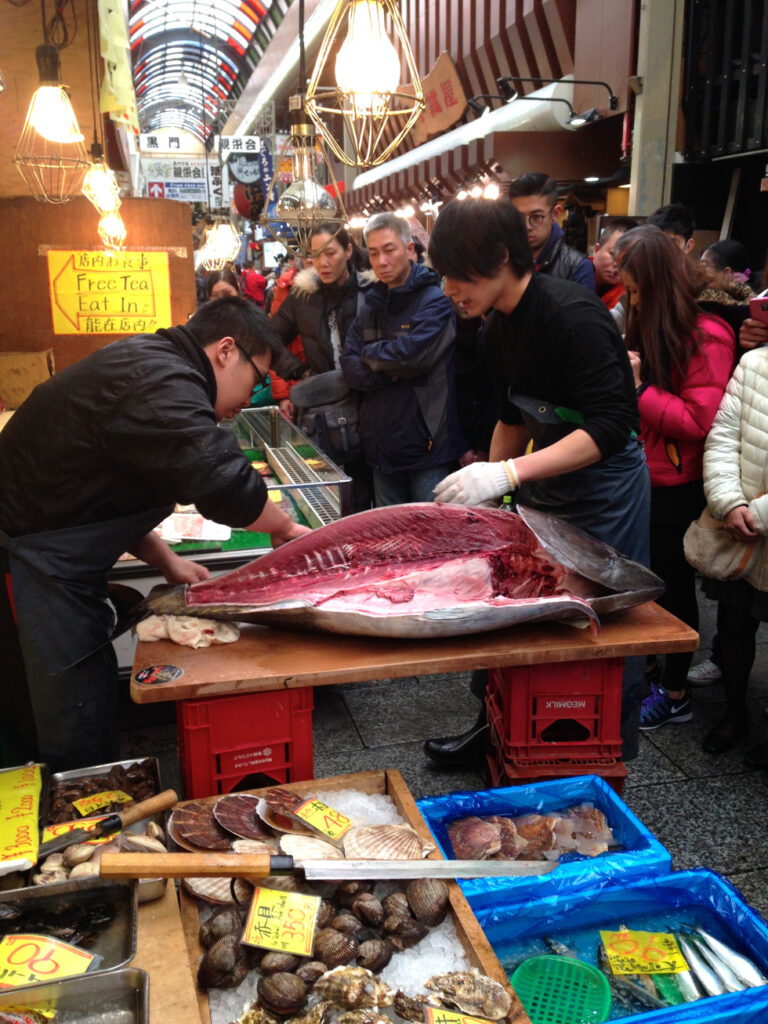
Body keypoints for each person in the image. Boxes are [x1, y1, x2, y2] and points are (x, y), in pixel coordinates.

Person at [0, 297, 310, 770]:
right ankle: (67, 822)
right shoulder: (161, 379)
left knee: (86, 695)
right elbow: (219, 475)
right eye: (256, 376)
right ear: (226, 350)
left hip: (58, 557)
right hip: (27, 564)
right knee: (62, 709)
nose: (253, 394)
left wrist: (165, 559)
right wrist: (284, 527)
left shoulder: (157, 365)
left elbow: (107, 489)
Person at [424, 198, 649, 765]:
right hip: (544, 475)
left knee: (597, 618)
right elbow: (510, 415)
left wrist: (509, 471)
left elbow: (609, 427)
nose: (449, 289)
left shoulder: (572, 314)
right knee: (515, 598)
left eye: (457, 273)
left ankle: (596, 751)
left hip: (605, 489)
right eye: (443, 275)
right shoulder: (495, 327)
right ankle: (494, 728)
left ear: (502, 256)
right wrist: (495, 496)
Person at [613, 226, 735, 737]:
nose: (631, 301)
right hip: (647, 473)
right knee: (653, 582)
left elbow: (697, 421)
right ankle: (658, 674)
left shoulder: (707, 335)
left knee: (673, 585)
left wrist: (638, 387)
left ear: (660, 286)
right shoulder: (657, 325)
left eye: (638, 292)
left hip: (679, 480)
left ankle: (677, 693)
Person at [340, 212, 465, 506]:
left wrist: (370, 355)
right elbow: (349, 366)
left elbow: (412, 357)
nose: (381, 261)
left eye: (389, 250)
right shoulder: (371, 304)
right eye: (373, 253)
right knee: (390, 546)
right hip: (380, 448)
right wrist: (391, 368)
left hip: (427, 449)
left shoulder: (434, 299)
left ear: (409, 250)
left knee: (430, 543)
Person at [268, 223, 376, 511]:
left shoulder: (372, 290)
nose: (323, 263)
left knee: (367, 496)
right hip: (323, 410)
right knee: (326, 495)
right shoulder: (303, 296)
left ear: (348, 250)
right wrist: (299, 373)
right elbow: (268, 338)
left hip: (372, 406)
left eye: (330, 253)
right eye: (315, 255)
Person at [699, 343, 768, 763]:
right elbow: (723, 436)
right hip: (739, 528)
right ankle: (734, 712)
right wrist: (729, 502)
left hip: (754, 518)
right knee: (734, 621)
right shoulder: (754, 362)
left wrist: (757, 512)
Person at [508, 173, 595, 290]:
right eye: (518, 217)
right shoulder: (504, 262)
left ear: (555, 214)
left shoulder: (577, 267)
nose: (526, 226)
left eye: (536, 217)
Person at [592, 219, 639, 310]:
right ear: (596, 250)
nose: (617, 264)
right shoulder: (573, 271)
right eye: (613, 254)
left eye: (626, 259)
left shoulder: (629, 293)